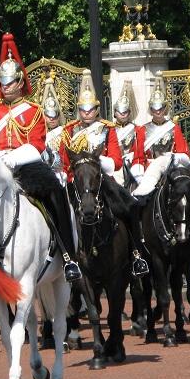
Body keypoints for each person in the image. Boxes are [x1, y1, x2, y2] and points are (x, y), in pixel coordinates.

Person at [0, 32, 81, 283]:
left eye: (10, 83)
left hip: (26, 166)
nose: (5, 88)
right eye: (2, 83)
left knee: (56, 192)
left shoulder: (34, 110)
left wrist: (11, 159)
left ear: (19, 82)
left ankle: (69, 257)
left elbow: (36, 146)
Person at [59, 70, 148, 277]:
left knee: (129, 205)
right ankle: (65, 259)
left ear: (97, 109)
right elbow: (65, 162)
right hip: (77, 183)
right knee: (59, 213)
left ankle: (136, 254)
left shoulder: (108, 129)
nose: (86, 113)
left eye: (90, 110)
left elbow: (116, 161)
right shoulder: (69, 131)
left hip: (102, 181)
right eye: (82, 109)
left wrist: (98, 163)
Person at [133, 77, 190, 197]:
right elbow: (138, 157)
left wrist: (175, 157)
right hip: (149, 170)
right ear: (151, 110)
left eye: (160, 108)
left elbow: (185, 154)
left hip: (171, 168)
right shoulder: (143, 130)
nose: (158, 112)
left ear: (165, 109)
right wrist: (139, 175)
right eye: (154, 109)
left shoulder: (173, 128)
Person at [112, 80, 145, 187]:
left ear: (129, 113)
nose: (122, 115)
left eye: (125, 112)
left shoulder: (137, 130)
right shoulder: (109, 129)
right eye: (120, 112)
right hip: (114, 165)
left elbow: (139, 151)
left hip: (131, 164)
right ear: (115, 113)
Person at [40, 77, 67, 185]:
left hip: (61, 175)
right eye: (48, 115)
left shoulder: (64, 132)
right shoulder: (38, 134)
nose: (51, 119)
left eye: (54, 115)